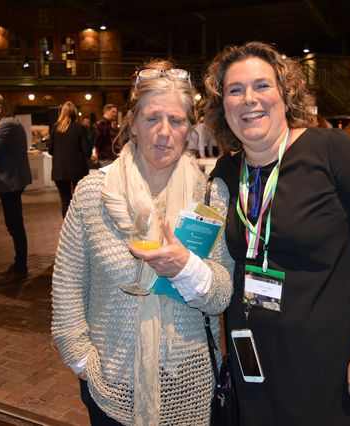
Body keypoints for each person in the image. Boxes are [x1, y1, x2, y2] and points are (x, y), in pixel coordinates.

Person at [204, 41, 350, 425]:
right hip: (255, 358)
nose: (249, 99)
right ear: (222, 105)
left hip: (329, 360)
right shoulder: (227, 174)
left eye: (262, 85)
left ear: (285, 94)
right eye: (235, 90)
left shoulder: (331, 152)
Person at [51, 60, 234, 425]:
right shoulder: (93, 193)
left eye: (176, 120)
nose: (164, 133)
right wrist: (81, 359)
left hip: (188, 380)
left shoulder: (211, 197)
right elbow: (68, 285)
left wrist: (185, 267)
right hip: (111, 379)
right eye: (152, 118)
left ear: (190, 128)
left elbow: (221, 296)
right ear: (132, 123)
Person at [0, 93, 32, 283]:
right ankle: (18, 264)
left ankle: (20, 268)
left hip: (10, 183)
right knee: (14, 225)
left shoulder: (6, 125)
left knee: (15, 225)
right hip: (10, 183)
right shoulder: (8, 124)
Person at [48, 101, 91, 217]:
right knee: (79, 200)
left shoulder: (55, 128)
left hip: (60, 170)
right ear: (75, 113)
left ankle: (67, 225)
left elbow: (50, 150)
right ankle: (80, 224)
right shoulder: (79, 128)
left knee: (65, 201)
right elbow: (87, 151)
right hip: (77, 171)